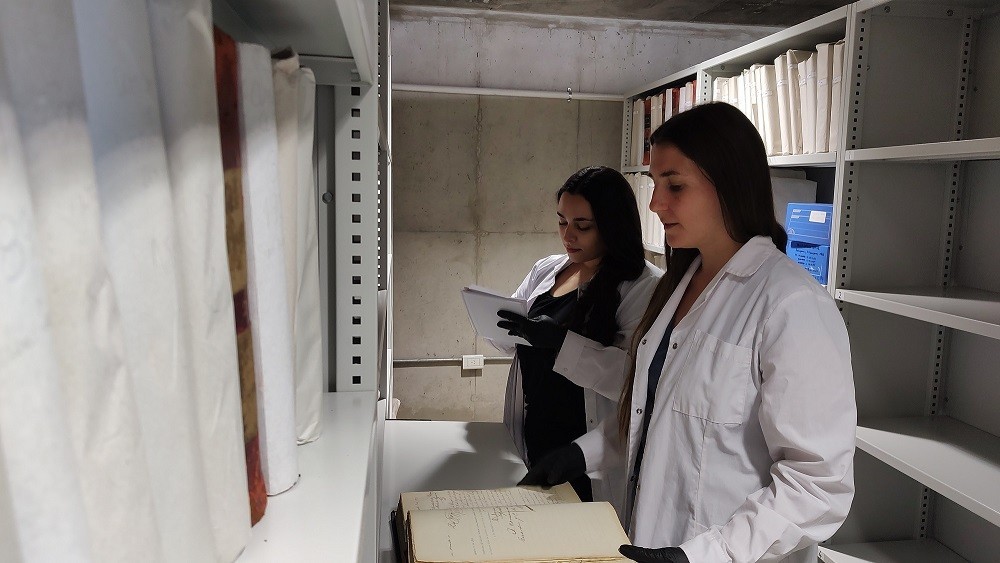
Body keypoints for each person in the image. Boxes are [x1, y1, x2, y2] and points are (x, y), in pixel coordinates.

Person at [520, 103, 857, 563]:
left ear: (729, 185)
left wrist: (706, 554)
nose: (655, 204)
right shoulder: (676, 288)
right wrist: (582, 454)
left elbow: (817, 484)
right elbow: (656, 414)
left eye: (674, 186)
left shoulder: (791, 304)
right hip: (649, 537)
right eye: (655, 185)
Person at [487, 165, 661, 510]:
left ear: (613, 225)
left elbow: (632, 379)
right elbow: (508, 340)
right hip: (535, 431)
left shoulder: (644, 286)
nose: (568, 236)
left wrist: (559, 341)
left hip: (584, 450)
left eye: (582, 226)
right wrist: (500, 322)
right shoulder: (548, 269)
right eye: (562, 222)